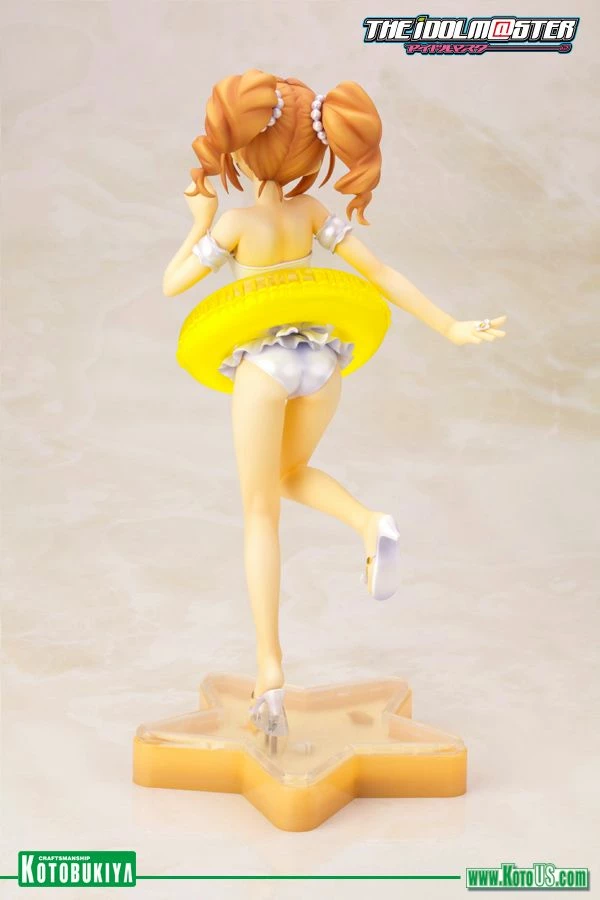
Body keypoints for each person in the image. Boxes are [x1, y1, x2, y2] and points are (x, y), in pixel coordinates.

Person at [163, 70, 507, 742]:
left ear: (242, 152)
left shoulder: (235, 223)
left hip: (263, 367)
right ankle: (367, 521)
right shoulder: (314, 213)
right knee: (290, 475)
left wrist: (198, 223)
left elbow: (173, 283)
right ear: (312, 152)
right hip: (322, 362)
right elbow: (380, 274)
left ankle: (269, 672)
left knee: (259, 511)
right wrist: (449, 326)